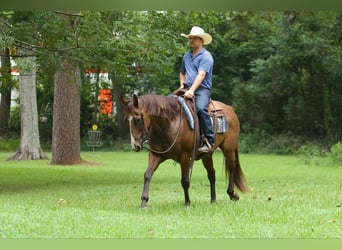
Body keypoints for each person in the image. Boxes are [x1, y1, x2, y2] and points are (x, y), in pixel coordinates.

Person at [179, 26, 215, 153]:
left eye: (194, 38)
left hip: (202, 90)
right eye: (190, 38)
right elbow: (182, 73)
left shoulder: (206, 56)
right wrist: (182, 86)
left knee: (200, 108)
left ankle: (210, 141)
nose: (191, 40)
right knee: (167, 104)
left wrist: (192, 90)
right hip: (187, 88)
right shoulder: (186, 57)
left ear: (201, 41)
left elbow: (201, 75)